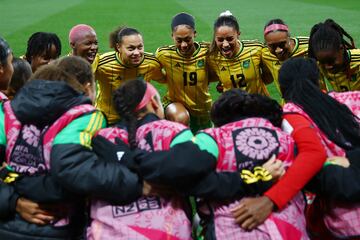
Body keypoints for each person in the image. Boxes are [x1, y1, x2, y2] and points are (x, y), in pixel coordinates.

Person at [0, 63, 147, 239]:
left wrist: (12, 198)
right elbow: (71, 167)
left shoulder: (7, 111)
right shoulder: (84, 115)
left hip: (7, 225)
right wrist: (136, 183)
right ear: (87, 88)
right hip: (60, 228)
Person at [232, 58, 360, 238]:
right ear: (318, 80)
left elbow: (313, 154)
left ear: (282, 89)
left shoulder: (291, 115)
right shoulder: (351, 98)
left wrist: (270, 200)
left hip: (345, 222)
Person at [155, 12, 216, 133]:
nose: (183, 45)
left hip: (202, 108)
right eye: (179, 40)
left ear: (195, 34)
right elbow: (148, 67)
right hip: (175, 105)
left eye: (188, 39)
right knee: (181, 118)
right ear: (172, 36)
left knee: (203, 140)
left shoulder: (207, 51)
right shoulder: (164, 54)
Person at [95, 26, 165, 124]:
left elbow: (165, 79)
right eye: (131, 49)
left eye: (140, 47)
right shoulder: (102, 65)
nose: (136, 53)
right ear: (119, 47)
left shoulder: (152, 63)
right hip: (107, 118)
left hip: (138, 117)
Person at [207, 11, 269, 96]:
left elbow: (268, 77)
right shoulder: (212, 57)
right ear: (215, 38)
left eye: (230, 39)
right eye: (220, 40)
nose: (225, 44)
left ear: (238, 34)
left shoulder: (256, 49)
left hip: (258, 106)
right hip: (233, 107)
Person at [262, 18, 309, 100]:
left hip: (316, 104)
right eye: (272, 46)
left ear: (289, 38)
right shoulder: (265, 54)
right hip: (289, 105)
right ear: (266, 44)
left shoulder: (309, 46)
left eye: (282, 44)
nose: (278, 50)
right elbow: (267, 79)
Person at [308, 19, 359, 92]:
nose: (327, 67)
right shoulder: (318, 65)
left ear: (341, 49)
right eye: (322, 62)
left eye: (331, 61)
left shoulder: (358, 62)